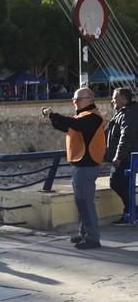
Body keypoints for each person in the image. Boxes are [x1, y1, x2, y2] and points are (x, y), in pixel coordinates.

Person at [43, 87, 106, 249]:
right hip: (81, 166)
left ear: (89, 100)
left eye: (77, 99)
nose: (74, 102)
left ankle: (93, 238)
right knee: (81, 202)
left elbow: (74, 124)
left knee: (85, 203)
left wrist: (53, 115)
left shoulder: (92, 118)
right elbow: (67, 126)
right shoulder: (83, 117)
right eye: (73, 99)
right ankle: (84, 233)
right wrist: (52, 117)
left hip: (87, 166)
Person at [105, 87, 138, 225]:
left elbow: (126, 136)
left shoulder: (128, 114)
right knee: (121, 184)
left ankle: (132, 212)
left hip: (125, 158)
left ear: (123, 99)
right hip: (127, 156)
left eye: (114, 97)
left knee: (117, 182)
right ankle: (130, 211)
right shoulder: (124, 112)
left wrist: (118, 157)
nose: (112, 100)